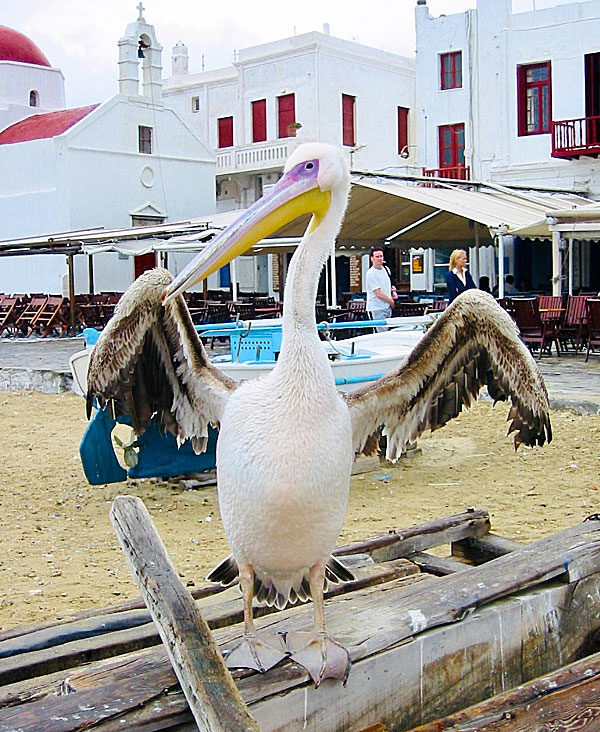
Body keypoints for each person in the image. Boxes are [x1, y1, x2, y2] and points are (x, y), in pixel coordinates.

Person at [365, 245, 396, 330]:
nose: (379, 258)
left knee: (388, 333)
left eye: (381, 256)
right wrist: (392, 302)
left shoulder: (386, 269)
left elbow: (388, 285)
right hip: (376, 308)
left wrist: (392, 290)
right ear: (372, 258)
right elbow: (378, 293)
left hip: (387, 307)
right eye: (377, 256)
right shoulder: (371, 273)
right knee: (380, 333)